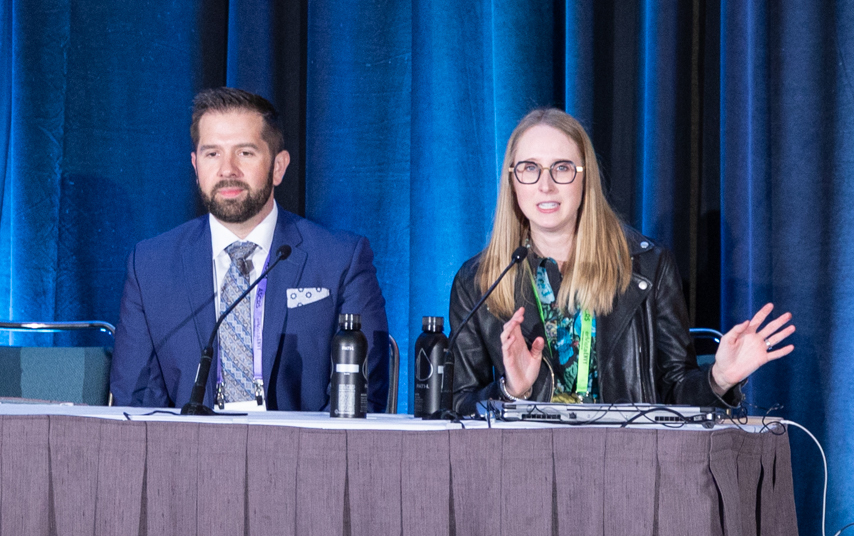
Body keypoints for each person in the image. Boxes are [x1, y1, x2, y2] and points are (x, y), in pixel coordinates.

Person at [449, 108, 794, 416]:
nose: (546, 185)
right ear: (512, 180)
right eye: (530, 168)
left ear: (586, 178)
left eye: (562, 168)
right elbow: (456, 405)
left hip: (632, 459)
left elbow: (676, 393)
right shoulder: (478, 281)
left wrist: (718, 379)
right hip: (526, 460)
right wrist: (511, 391)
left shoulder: (648, 266)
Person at [110, 87, 389, 411]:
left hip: (304, 442)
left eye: (245, 153)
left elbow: (360, 397)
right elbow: (137, 400)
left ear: (278, 166)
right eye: (212, 154)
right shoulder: (151, 266)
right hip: (187, 441)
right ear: (195, 166)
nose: (227, 169)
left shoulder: (340, 259)